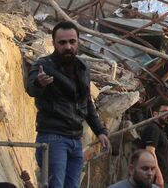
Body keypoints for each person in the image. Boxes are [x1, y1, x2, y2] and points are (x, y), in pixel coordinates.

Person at [25, 21, 110, 188]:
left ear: (78, 41)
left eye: (72, 41)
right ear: (54, 43)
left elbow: (86, 102)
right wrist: (39, 83)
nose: (68, 46)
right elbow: (31, 89)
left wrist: (99, 131)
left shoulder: (82, 67)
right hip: (52, 137)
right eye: (62, 42)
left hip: (75, 140)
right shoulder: (44, 65)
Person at [140, 101, 168, 188]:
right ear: (155, 114)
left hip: (163, 178)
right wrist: (158, 176)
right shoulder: (153, 128)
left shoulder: (159, 129)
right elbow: (150, 152)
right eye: (165, 112)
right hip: (156, 179)